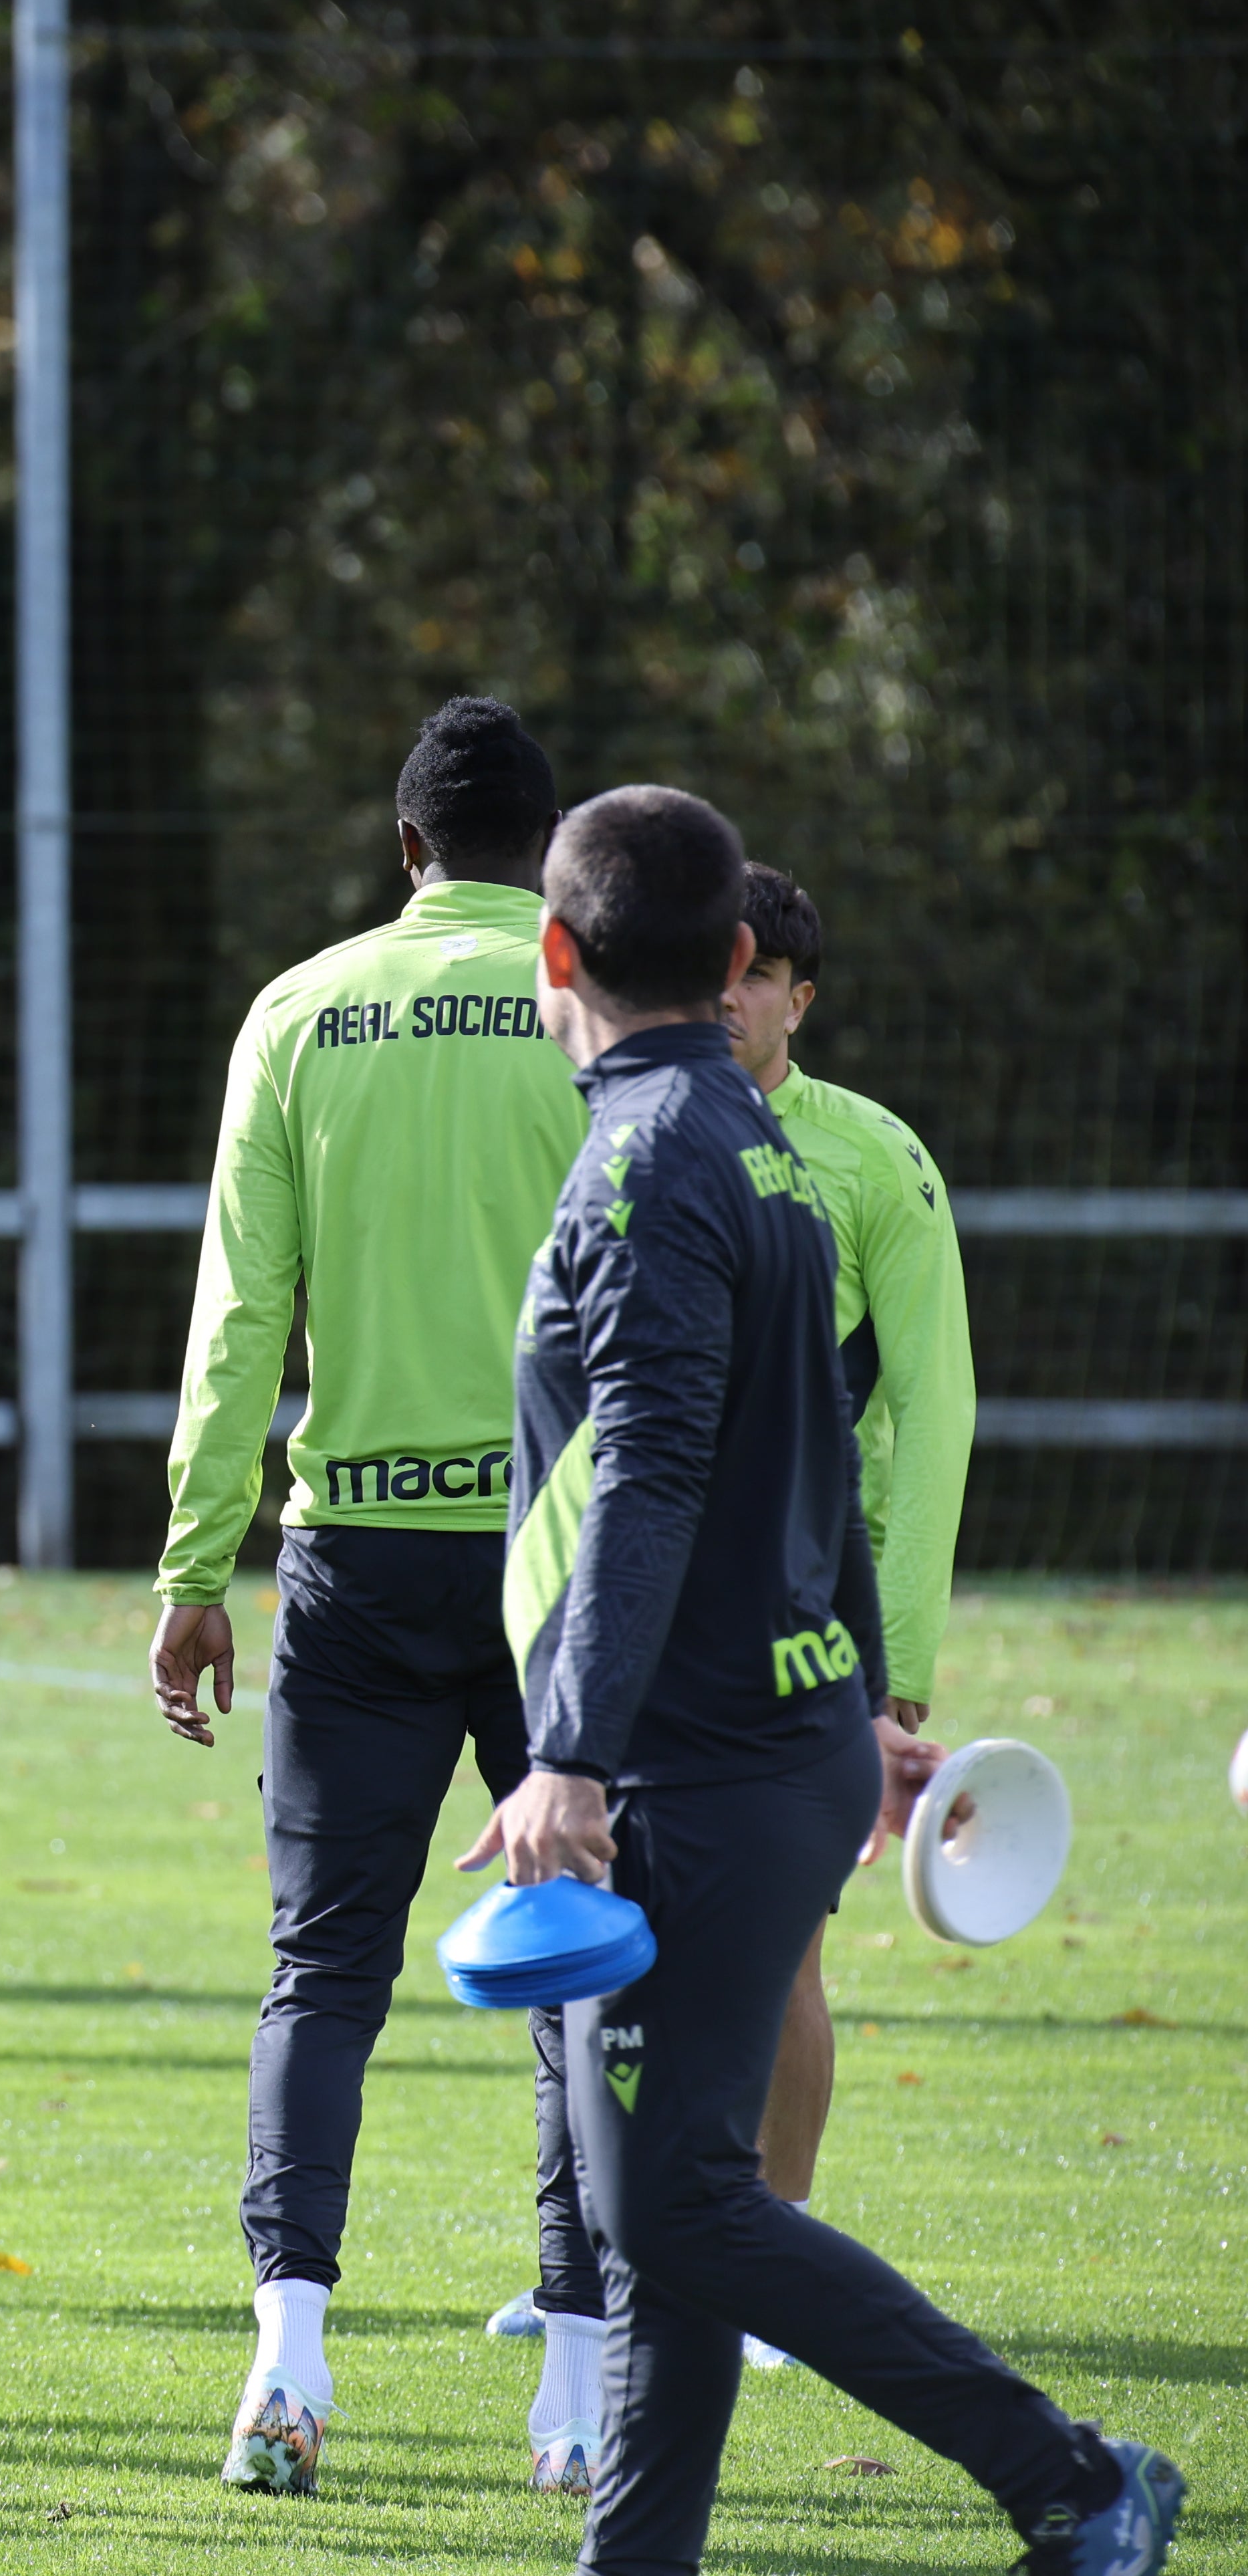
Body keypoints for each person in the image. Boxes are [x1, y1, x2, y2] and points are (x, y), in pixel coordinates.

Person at [472, 784, 1180, 2576]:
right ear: (732, 967)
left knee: (670, 2205)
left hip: (696, 1768)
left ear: (554, 954)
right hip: (782, 1735)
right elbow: (828, 1446)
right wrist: (860, 1695)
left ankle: (1074, 2479)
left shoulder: (642, 1166)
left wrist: (569, 1751)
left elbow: (647, 1472)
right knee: (680, 2221)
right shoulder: (769, 1145)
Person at [147, 697, 602, 2496]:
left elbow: (238, 1322)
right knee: (579, 1973)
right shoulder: (594, 1013)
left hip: (360, 1555)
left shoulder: (303, 1009)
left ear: (404, 848)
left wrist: (196, 1562)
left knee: (320, 1973)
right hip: (569, 1564)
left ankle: (290, 2366)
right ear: (551, 860)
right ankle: (573, 2398)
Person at [719, 860, 976, 2256]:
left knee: (782, 1950)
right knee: (616, 1944)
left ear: (800, 1000)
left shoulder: (875, 1156)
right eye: (716, 963)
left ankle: (781, 2242)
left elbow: (937, 1407)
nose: (730, 991)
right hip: (663, 1612)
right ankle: (601, 2262)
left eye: (758, 972)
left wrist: (905, 1665)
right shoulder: (621, 1131)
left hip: (824, 1613)